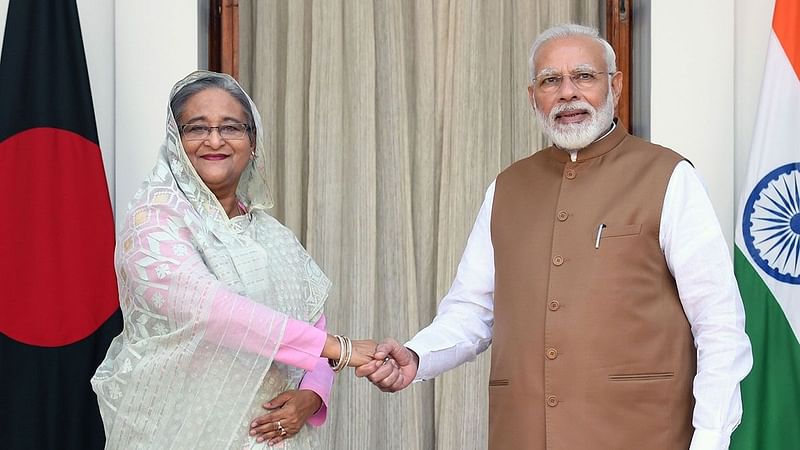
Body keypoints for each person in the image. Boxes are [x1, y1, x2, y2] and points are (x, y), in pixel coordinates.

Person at [358, 24, 753, 450]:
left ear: (615, 86)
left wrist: (711, 439)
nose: (567, 93)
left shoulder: (669, 177)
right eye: (550, 81)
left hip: (643, 435)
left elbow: (719, 324)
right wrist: (417, 358)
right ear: (533, 97)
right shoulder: (506, 188)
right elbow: (471, 310)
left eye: (584, 76)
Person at [91, 71, 376, 449]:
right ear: (176, 142)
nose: (214, 140)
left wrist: (313, 395)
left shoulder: (274, 236)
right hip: (180, 433)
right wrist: (343, 349)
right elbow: (214, 312)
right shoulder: (155, 220)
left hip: (273, 439)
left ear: (252, 142)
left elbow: (313, 324)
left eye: (231, 128)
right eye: (196, 128)